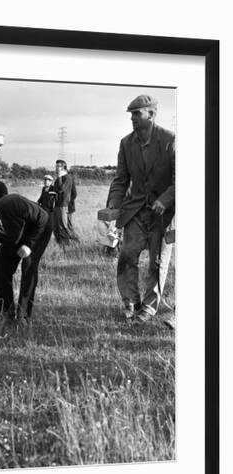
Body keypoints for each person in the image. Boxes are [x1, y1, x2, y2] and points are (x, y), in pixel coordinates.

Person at [106, 94, 175, 323]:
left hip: (163, 214)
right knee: (126, 256)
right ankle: (130, 303)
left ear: (152, 114)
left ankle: (148, 308)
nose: (133, 118)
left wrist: (164, 200)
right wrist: (114, 204)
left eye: (137, 113)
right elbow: (120, 180)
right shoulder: (126, 143)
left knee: (157, 262)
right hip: (135, 210)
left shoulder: (170, 140)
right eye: (131, 114)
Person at [0, 194, 51, 322]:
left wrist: (29, 245)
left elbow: (43, 218)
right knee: (2, 267)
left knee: (28, 266)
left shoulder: (13, 203)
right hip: (13, 237)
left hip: (38, 229)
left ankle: (23, 316)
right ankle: (6, 311)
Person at [51, 160, 80, 247]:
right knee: (58, 227)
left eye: (58, 166)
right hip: (58, 205)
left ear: (63, 167)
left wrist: (68, 203)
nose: (56, 168)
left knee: (63, 226)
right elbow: (56, 191)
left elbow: (61, 189)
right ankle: (63, 244)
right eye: (55, 166)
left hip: (64, 206)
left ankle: (68, 245)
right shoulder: (57, 179)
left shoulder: (68, 178)